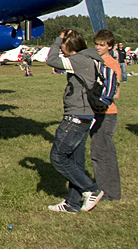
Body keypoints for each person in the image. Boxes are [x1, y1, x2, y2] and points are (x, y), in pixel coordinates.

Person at [44, 29, 104, 213]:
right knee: (75, 160)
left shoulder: (79, 59)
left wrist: (57, 39)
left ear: (70, 45)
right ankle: (72, 203)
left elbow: (51, 60)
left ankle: (91, 189)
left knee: (58, 156)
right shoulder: (89, 58)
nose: (61, 47)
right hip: (85, 116)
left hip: (76, 116)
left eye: (64, 44)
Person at [91, 30, 122, 201]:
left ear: (109, 46)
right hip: (98, 113)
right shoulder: (99, 61)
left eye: (102, 45)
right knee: (104, 152)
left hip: (107, 113)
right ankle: (110, 191)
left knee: (100, 153)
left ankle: (105, 192)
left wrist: (97, 96)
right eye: (96, 44)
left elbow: (115, 92)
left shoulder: (111, 64)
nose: (98, 47)